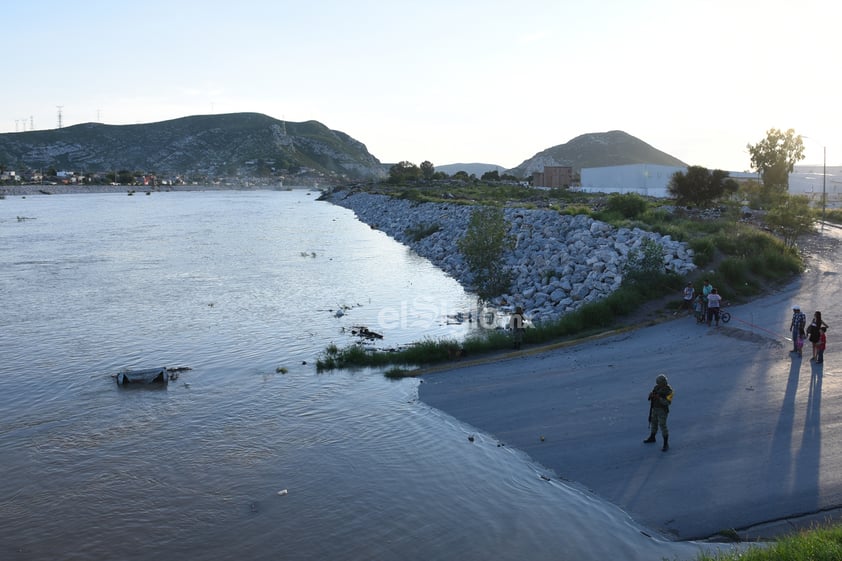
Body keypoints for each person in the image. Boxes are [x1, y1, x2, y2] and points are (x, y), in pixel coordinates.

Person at [644, 373, 674, 452]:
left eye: (659, 383)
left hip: (662, 410)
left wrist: (659, 398)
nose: (658, 385)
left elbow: (668, 402)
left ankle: (665, 443)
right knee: (654, 423)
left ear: (663, 382)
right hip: (655, 408)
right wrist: (651, 396)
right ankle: (652, 437)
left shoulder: (669, 391)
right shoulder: (656, 387)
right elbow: (652, 395)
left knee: (662, 425)